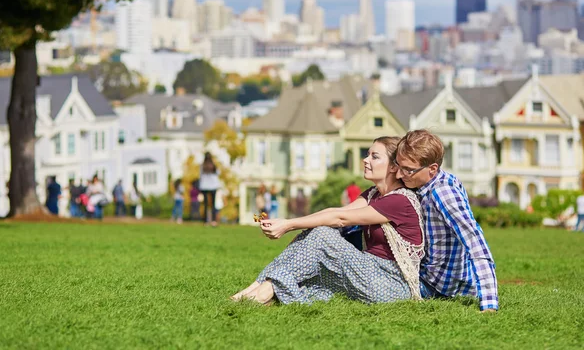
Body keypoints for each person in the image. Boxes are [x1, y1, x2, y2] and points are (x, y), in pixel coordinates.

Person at [231, 136, 424, 306]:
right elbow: (337, 212)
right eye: (367, 154)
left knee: (323, 235)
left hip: (391, 284)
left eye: (374, 156)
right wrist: (290, 223)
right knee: (318, 237)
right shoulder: (373, 194)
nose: (365, 160)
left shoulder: (400, 200)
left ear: (393, 166)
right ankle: (253, 289)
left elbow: (340, 219)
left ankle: (263, 293)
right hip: (368, 271)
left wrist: (288, 224)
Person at [394, 129, 498, 313]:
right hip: (430, 277)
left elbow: (474, 241)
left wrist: (489, 304)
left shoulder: (443, 192)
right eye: (398, 166)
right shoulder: (426, 184)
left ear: (432, 169)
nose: (399, 175)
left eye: (408, 170)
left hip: (438, 287)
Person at [199, 152, 220, 227]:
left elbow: (200, 175)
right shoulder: (214, 166)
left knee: (205, 205)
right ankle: (213, 221)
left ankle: (205, 221)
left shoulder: (202, 166)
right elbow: (218, 174)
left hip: (204, 186)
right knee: (213, 204)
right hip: (213, 186)